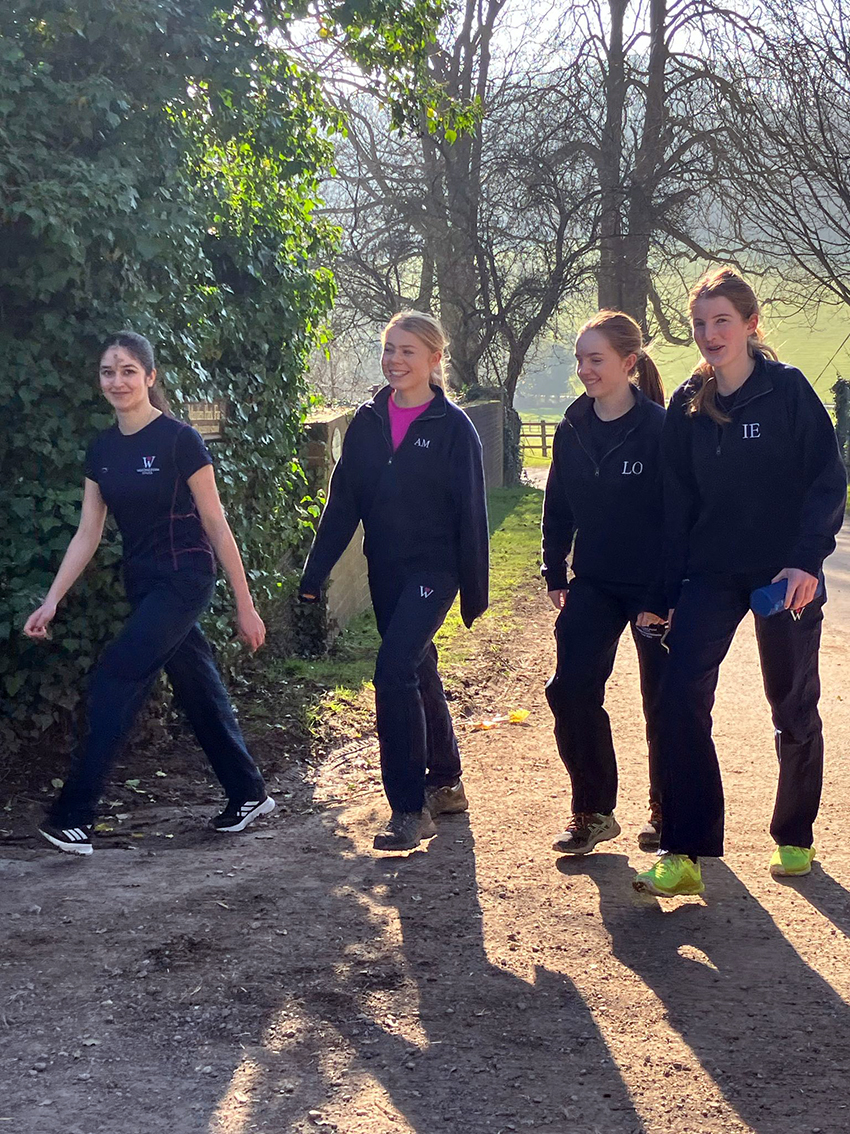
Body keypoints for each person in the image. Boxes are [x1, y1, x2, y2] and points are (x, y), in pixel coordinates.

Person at [633, 268, 847, 897]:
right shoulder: (688, 403)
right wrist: (665, 594)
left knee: (792, 702)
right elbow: (675, 505)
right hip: (712, 572)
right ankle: (684, 849)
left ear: (751, 325)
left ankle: (794, 833)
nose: (709, 333)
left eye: (722, 320)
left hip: (785, 575)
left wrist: (806, 561)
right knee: (679, 695)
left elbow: (826, 481)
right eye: (700, 323)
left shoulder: (788, 390)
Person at [24, 332, 274, 855]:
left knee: (116, 676)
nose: (117, 381)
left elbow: (216, 523)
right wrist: (51, 599)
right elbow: (88, 533)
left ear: (150, 377)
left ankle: (74, 815)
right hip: (143, 583)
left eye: (128, 371)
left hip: (185, 578)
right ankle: (248, 792)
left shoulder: (180, 440)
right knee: (196, 683)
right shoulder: (102, 450)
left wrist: (245, 604)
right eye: (108, 372)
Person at [299, 311, 489, 852]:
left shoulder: (453, 428)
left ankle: (408, 808)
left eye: (408, 351)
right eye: (389, 349)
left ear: (434, 359)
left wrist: (474, 592)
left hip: (435, 572)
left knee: (393, 668)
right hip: (385, 570)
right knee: (418, 666)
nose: (395, 360)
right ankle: (447, 782)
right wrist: (315, 572)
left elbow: (472, 514)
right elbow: (343, 504)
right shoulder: (367, 422)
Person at [542, 311, 668, 855]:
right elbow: (558, 504)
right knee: (569, 689)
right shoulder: (572, 428)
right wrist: (554, 569)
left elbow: (679, 515)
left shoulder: (661, 429)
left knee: (664, 700)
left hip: (654, 584)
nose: (585, 370)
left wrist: (665, 593)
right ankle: (593, 811)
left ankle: (667, 810)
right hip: (593, 581)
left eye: (596, 359)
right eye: (580, 360)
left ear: (628, 362)